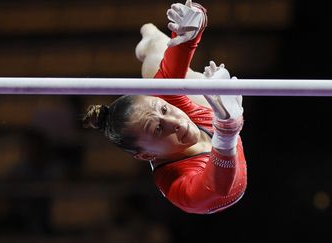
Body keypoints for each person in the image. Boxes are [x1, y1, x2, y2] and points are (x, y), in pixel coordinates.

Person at [83, 0, 247, 214]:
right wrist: (227, 131)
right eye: (158, 129)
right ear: (147, 155)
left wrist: (194, 23)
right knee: (193, 89)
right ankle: (153, 42)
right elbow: (219, 187)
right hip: (219, 155)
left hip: (205, 115)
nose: (176, 122)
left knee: (160, 66)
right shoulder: (180, 187)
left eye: (164, 110)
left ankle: (150, 38)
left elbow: (179, 55)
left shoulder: (166, 102)